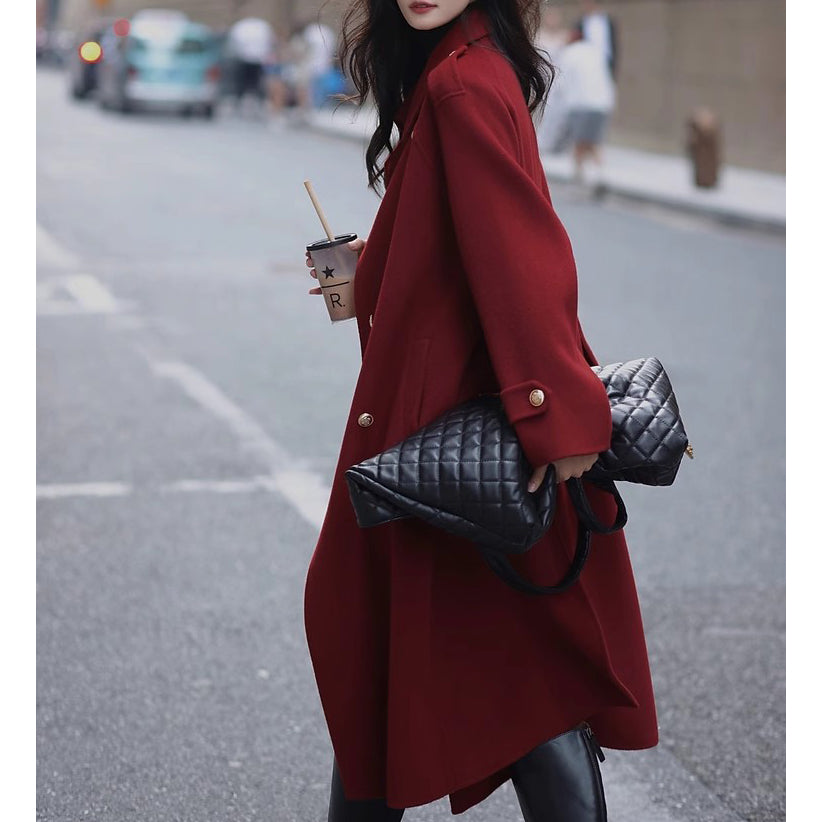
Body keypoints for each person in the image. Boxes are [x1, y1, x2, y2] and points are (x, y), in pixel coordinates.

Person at [303, 2, 657, 820]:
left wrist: (553, 418)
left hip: (468, 433)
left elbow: (521, 255)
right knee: (492, 664)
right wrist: (371, 270)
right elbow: (460, 249)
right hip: (465, 422)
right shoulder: (463, 68)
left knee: (477, 664)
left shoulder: (462, 85)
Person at [561, 23, 616, 187]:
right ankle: (600, 175)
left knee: (579, 143)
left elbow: (562, 81)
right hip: (602, 104)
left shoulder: (570, 52)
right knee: (593, 142)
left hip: (581, 104)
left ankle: (578, 178)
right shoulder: (596, 52)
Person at [534, 5, 571, 153]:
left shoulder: (564, 37)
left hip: (558, 79)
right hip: (543, 77)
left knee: (557, 110)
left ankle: (552, 141)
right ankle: (539, 140)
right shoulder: (538, 35)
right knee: (541, 108)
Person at [225, 16, 274, 116]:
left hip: (256, 60)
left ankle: (255, 102)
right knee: (244, 83)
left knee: (254, 83)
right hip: (246, 59)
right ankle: (241, 101)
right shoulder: (253, 26)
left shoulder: (256, 26)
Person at [577, 0, 618, 79]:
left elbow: (614, 44)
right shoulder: (580, 23)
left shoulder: (608, 21)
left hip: (606, 61)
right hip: (587, 63)